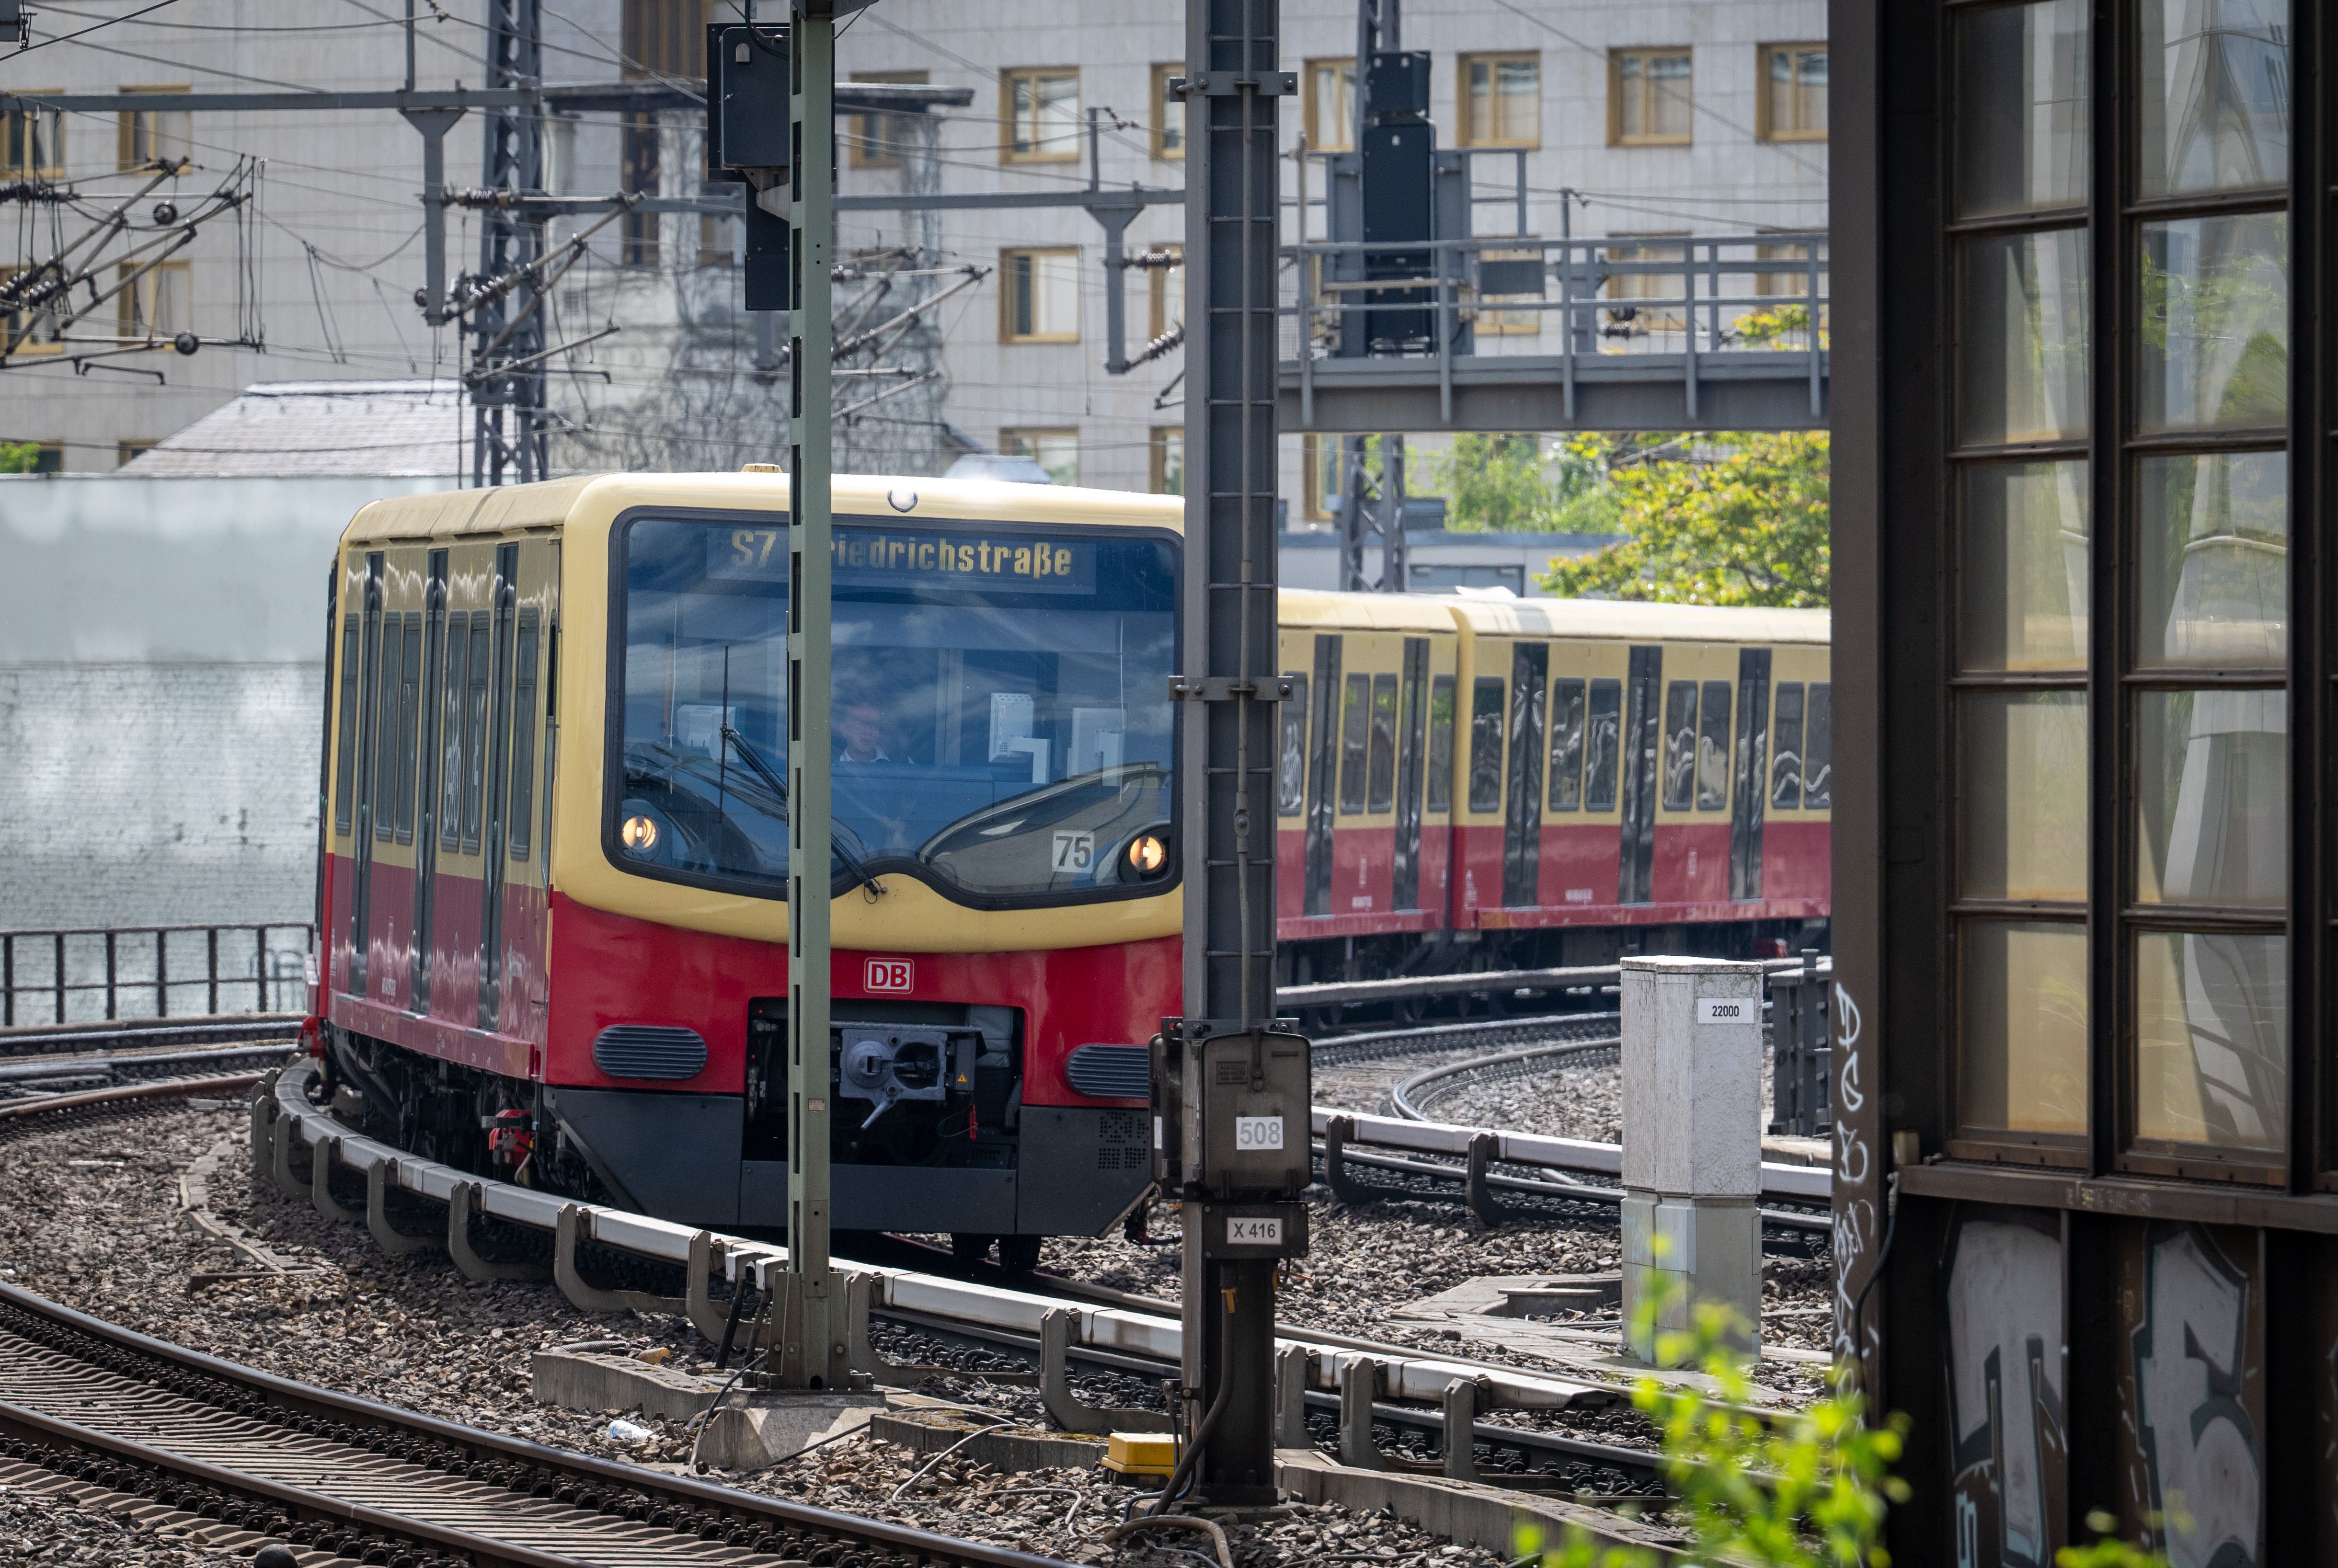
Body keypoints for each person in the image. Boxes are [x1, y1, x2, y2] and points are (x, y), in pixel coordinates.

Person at [836, 698, 892, 766]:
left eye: (874, 725)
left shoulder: (901, 763)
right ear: (844, 730)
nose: (868, 731)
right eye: (860, 724)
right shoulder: (830, 766)